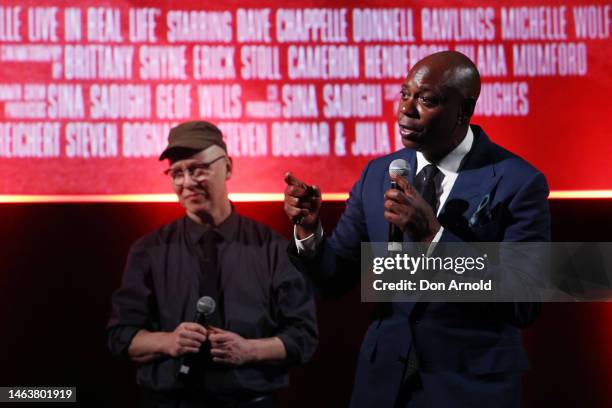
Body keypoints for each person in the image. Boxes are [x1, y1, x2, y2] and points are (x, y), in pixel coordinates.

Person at [284, 51, 550, 408]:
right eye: (404, 94)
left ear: (464, 110)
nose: (406, 110)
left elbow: (524, 302)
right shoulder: (376, 174)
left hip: (468, 387)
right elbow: (334, 278)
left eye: (426, 100)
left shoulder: (518, 182)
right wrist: (309, 231)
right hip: (382, 385)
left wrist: (434, 237)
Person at [107, 121, 318, 408]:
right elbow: (121, 337)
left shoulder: (273, 249)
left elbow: (303, 336)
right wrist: (168, 342)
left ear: (228, 168)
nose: (187, 182)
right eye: (177, 173)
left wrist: (249, 351)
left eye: (197, 169)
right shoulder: (149, 251)